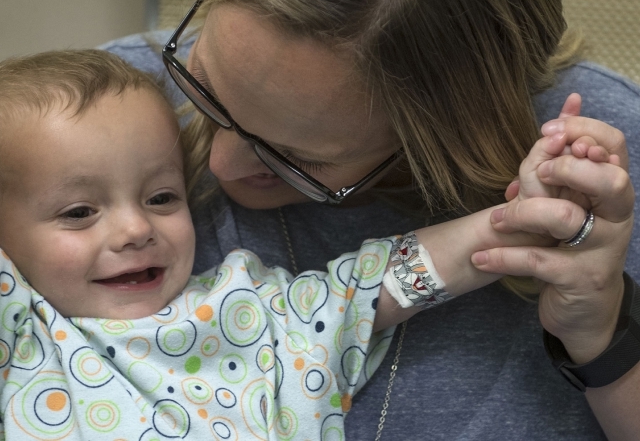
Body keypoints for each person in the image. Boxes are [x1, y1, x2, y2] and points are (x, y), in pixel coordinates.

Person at [100, 0, 640, 438]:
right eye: (204, 86)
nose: (220, 166)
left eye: (298, 158)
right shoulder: (77, 124)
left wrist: (605, 338)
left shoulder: (599, 173)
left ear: (450, 134)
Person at [0, 49, 583, 439]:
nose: (135, 230)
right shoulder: (23, 330)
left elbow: (381, 281)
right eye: (79, 212)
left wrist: (520, 216)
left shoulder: (255, 309)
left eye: (161, 198)